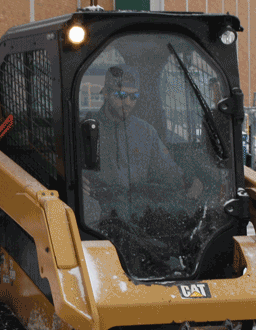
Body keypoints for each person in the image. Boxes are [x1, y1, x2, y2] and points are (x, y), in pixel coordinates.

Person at [82, 65, 203, 225]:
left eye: (134, 97)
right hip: (99, 216)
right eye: (121, 95)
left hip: (138, 214)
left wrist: (190, 181)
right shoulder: (83, 130)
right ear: (105, 93)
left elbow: (168, 172)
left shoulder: (145, 132)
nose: (128, 102)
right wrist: (78, 179)